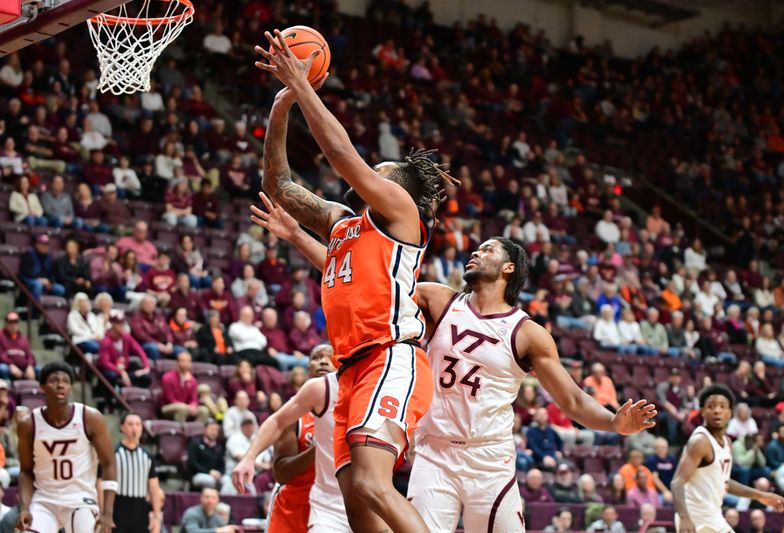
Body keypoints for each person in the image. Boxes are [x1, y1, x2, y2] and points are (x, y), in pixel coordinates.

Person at [247, 200, 657, 532]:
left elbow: (571, 399)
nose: (476, 251)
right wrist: (298, 236)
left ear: (509, 268)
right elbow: (363, 282)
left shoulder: (527, 334)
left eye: (489, 249)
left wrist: (614, 424)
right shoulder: (439, 300)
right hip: (434, 454)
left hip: (489, 460)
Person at [252, 30, 453, 532]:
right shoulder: (345, 224)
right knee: (359, 513)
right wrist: (280, 110)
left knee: (370, 482)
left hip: (391, 355)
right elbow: (277, 186)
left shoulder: (401, 215)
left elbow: (343, 157)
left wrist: (304, 88)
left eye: (381, 173)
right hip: (350, 370)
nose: (370, 177)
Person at [232, 345, 350, 532]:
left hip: (337, 504)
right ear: (308, 368)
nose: (323, 361)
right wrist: (320, 448)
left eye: (329, 356)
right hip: (293, 506)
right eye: (316, 357)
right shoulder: (295, 416)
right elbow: (281, 474)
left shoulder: (350, 408)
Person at [15, 362, 117, 533]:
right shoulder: (28, 424)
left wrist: (107, 513)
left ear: (71, 387)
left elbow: (109, 464)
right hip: (44, 500)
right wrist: (24, 507)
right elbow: (25, 471)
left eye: (65, 381)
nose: (60, 385)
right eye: (54, 381)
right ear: (42, 387)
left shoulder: (90, 418)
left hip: (81, 500)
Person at [671, 385, 784, 533]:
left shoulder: (727, 442)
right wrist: (684, 517)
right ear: (703, 411)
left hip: (713, 516)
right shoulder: (700, 441)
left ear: (730, 412)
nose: (717, 410)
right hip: (696, 518)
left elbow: (723, 481)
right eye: (711, 406)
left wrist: (761, 495)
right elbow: (677, 482)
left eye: (722, 406)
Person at [113, 413, 163, 533]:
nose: (134, 428)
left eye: (137, 424)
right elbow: (101, 483)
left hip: (140, 507)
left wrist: (156, 516)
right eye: (130, 424)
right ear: (122, 428)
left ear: (141, 428)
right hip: (118, 505)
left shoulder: (147, 456)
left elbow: (154, 487)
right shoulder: (113, 453)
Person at [160, 351, 209, 423]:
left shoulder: (192, 380)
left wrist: (193, 405)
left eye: (188, 361)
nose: (185, 364)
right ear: (177, 362)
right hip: (168, 407)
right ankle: (180, 431)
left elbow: (194, 399)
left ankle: (196, 431)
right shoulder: (167, 377)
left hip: (186, 407)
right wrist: (186, 407)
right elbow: (170, 399)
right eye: (183, 361)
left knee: (204, 410)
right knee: (182, 408)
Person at [187, 419, 229, 492]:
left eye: (216, 430)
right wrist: (209, 472)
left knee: (228, 480)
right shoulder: (195, 443)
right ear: (205, 430)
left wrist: (220, 473)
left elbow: (222, 464)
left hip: (215, 474)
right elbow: (192, 463)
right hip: (198, 474)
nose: (214, 432)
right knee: (210, 480)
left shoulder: (219, 447)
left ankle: (222, 499)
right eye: (212, 429)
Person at [0, 312, 36, 381]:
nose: (13, 324)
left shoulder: (23, 338)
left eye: (15, 321)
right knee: (3, 368)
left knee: (40, 370)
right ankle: (7, 389)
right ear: (6, 323)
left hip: (24, 367)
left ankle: (35, 390)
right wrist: (10, 364)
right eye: (10, 322)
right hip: (8, 366)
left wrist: (30, 366)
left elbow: (30, 355)